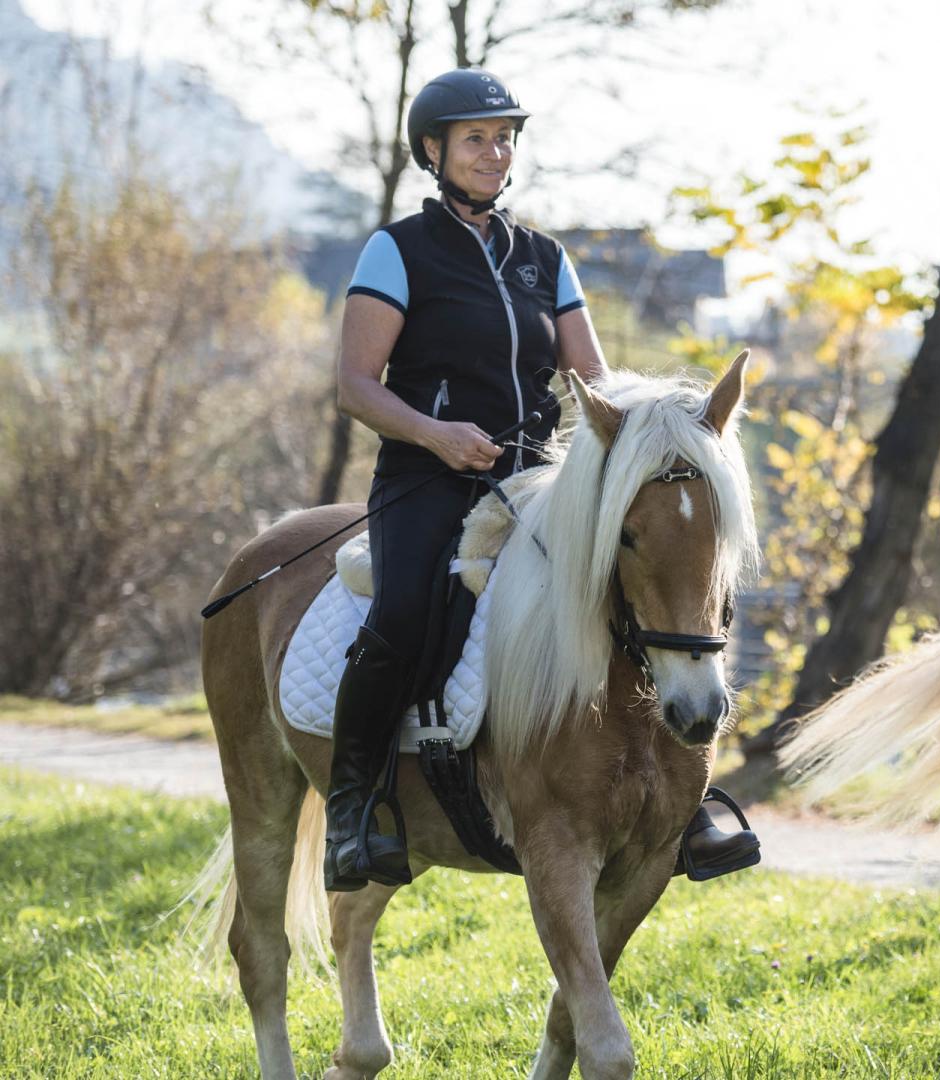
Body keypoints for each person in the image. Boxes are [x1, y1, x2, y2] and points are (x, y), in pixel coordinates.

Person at [325, 68, 760, 891]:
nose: (496, 153)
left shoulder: (545, 259)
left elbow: (593, 379)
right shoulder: (398, 250)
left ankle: (683, 800)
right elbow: (356, 384)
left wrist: (648, 429)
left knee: (656, 589)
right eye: (477, 139)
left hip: (535, 481)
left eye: (506, 138)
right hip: (427, 479)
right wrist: (434, 434)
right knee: (405, 610)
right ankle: (354, 809)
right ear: (434, 151)